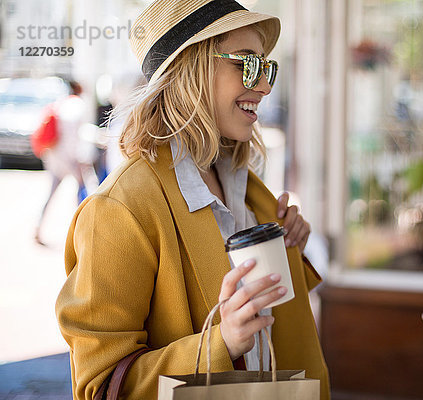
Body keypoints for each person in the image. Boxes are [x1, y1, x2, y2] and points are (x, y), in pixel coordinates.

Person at [55, 1, 330, 399]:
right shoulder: (119, 209)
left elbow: (268, 322)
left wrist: (289, 252)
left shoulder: (245, 183)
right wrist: (222, 344)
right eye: (248, 65)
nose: (266, 86)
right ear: (192, 69)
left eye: (268, 67)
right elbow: (101, 385)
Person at [35, 80, 89, 245]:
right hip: (68, 158)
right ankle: (81, 230)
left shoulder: (60, 103)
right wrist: (80, 158)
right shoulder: (77, 105)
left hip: (54, 156)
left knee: (50, 194)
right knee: (82, 192)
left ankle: (37, 229)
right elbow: (74, 136)